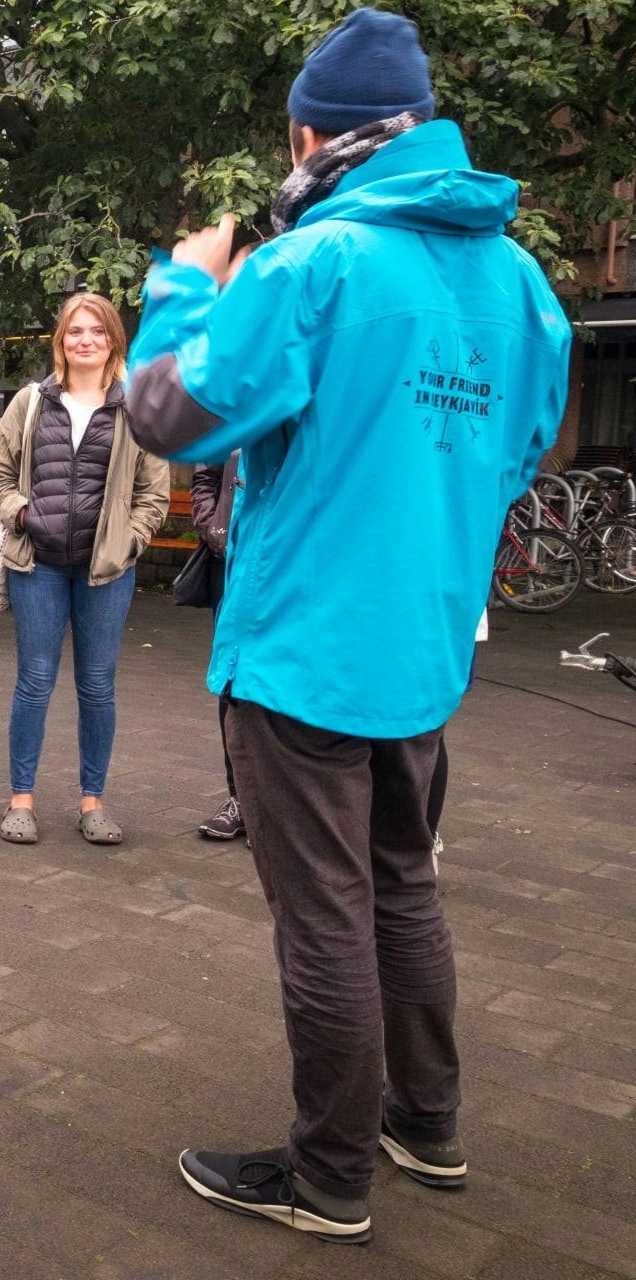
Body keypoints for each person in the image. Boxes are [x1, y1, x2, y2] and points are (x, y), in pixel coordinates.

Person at [127, 8, 571, 1243]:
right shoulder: (523, 278)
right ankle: (424, 1123)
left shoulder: (313, 264)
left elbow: (167, 411)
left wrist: (176, 285)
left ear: (316, 133)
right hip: (422, 647)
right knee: (402, 887)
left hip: (306, 647)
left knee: (322, 912)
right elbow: (520, 445)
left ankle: (327, 1173)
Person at [0, 293, 167, 843]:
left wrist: (129, 542)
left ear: (113, 339)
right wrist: (24, 515)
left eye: (97, 331)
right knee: (35, 682)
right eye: (74, 332)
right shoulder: (29, 403)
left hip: (105, 572)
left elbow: (153, 495)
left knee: (97, 686)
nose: (85, 340)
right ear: (60, 341)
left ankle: (92, 803)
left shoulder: (138, 407)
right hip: (37, 565)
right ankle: (21, 800)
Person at [190, 451, 244, 841]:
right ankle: (240, 799)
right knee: (232, 681)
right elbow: (205, 475)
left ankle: (279, 810)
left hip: (296, 563)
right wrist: (214, 529)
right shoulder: (233, 404)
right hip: (234, 563)